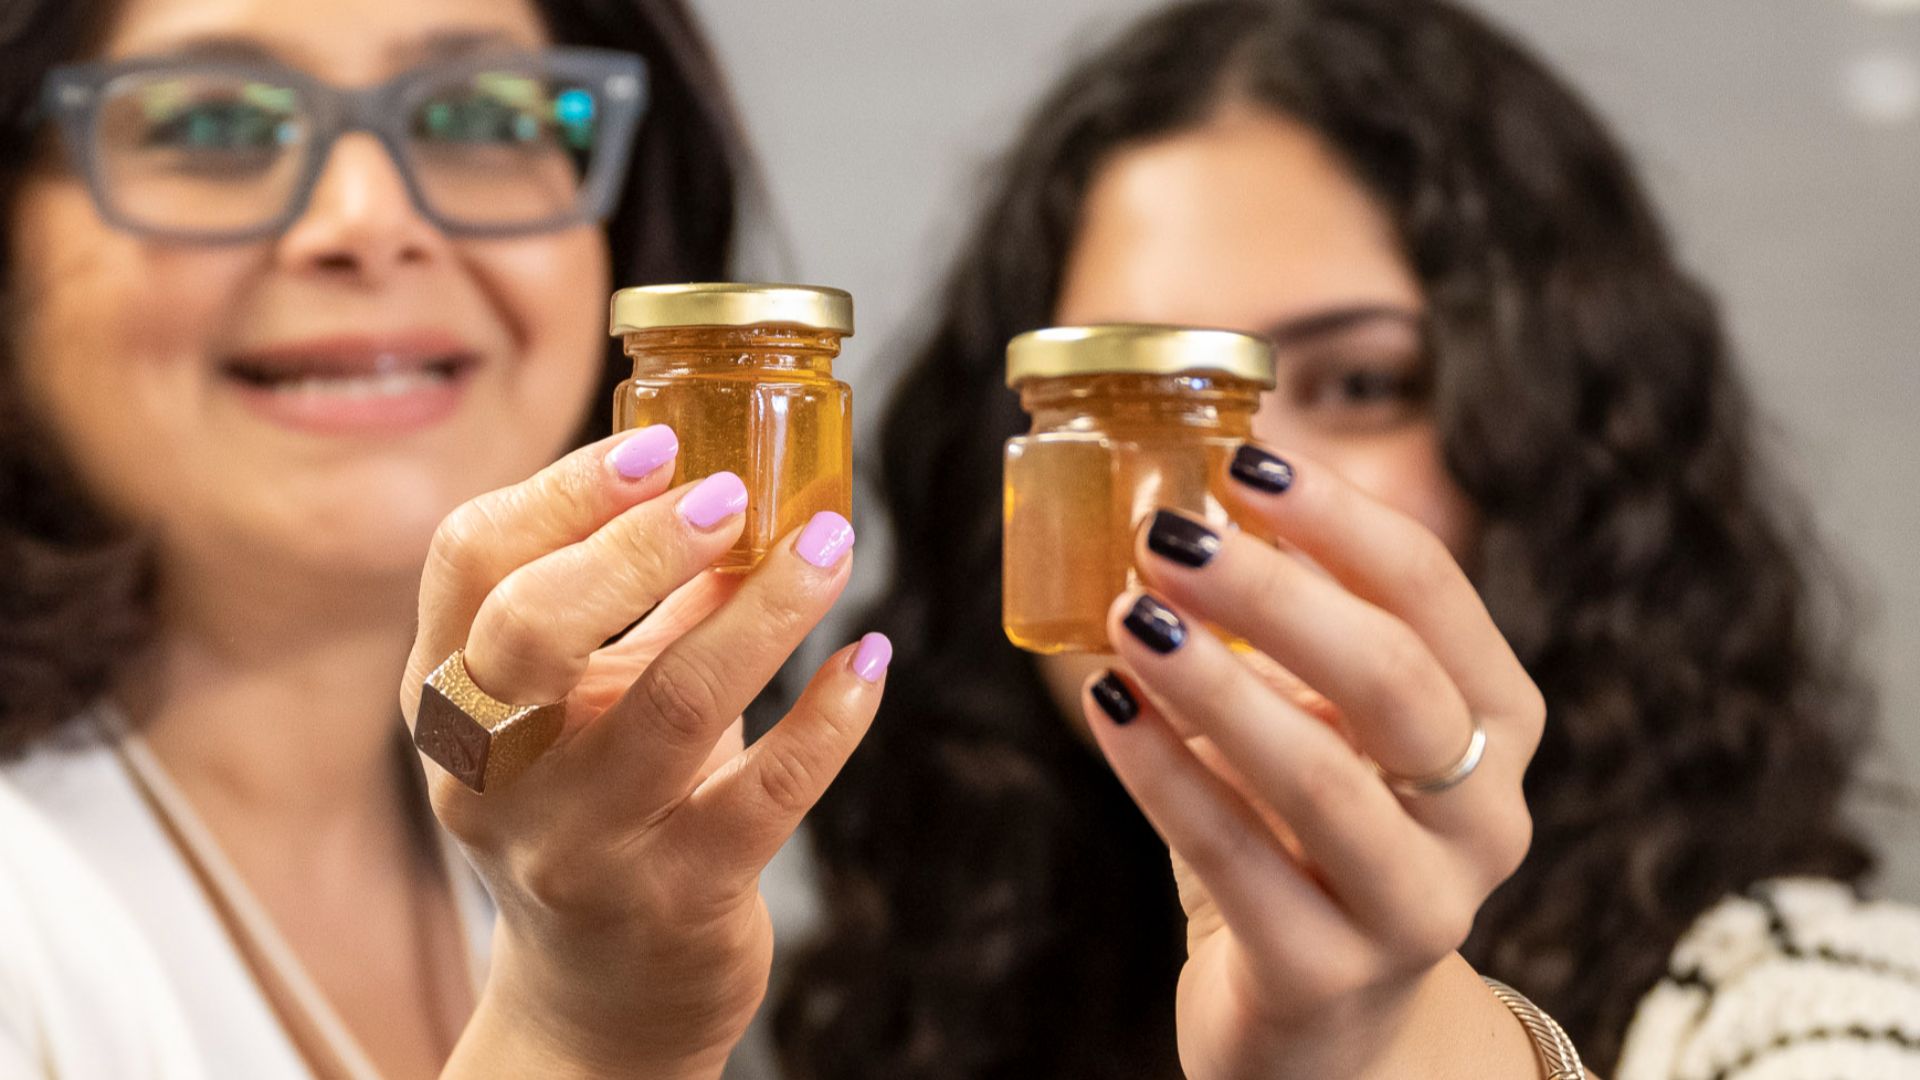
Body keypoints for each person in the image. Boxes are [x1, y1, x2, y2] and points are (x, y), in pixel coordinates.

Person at [767, 1, 1920, 1078]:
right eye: (1128, 401)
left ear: (1570, 452)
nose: (1208, 496)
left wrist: (1391, 1042)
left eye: (1359, 382)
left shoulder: (1800, 1011)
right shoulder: (908, 1011)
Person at [0, 0, 889, 1077]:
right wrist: (582, 1034)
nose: (369, 221)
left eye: (487, 117)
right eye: (214, 129)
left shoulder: (648, 870)